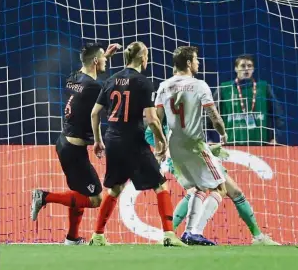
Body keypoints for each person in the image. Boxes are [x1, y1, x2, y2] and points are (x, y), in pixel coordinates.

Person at [150, 49, 280, 246]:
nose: (199, 63)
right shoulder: (199, 85)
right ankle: (194, 232)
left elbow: (155, 121)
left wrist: (161, 146)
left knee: (203, 190)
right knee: (221, 188)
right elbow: (213, 114)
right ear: (188, 63)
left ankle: (171, 234)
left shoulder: (163, 86)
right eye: (196, 60)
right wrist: (222, 133)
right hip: (194, 145)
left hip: (175, 147)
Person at [88, 41, 185, 247]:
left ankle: (97, 235)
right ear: (142, 58)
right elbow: (151, 119)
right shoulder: (143, 82)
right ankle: (169, 235)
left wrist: (97, 140)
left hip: (112, 140)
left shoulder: (111, 80)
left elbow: (95, 113)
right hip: (133, 140)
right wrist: (162, 140)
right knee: (160, 184)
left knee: (115, 187)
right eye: (147, 55)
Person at [30, 42, 120, 245]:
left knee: (79, 193)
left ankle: (72, 238)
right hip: (73, 151)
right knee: (94, 199)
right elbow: (98, 110)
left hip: (65, 143)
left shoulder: (73, 79)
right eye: (104, 59)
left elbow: (88, 73)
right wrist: (98, 141)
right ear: (96, 61)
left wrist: (104, 55)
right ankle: (44, 197)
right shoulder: (93, 87)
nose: (106, 61)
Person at [212, 54, 284, 146]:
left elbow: (278, 115)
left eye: (249, 66)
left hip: (261, 145)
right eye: (242, 66)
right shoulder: (224, 88)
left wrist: (276, 138)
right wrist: (209, 138)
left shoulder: (264, 87)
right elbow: (210, 115)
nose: (246, 69)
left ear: (253, 69)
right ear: (236, 69)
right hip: (231, 145)